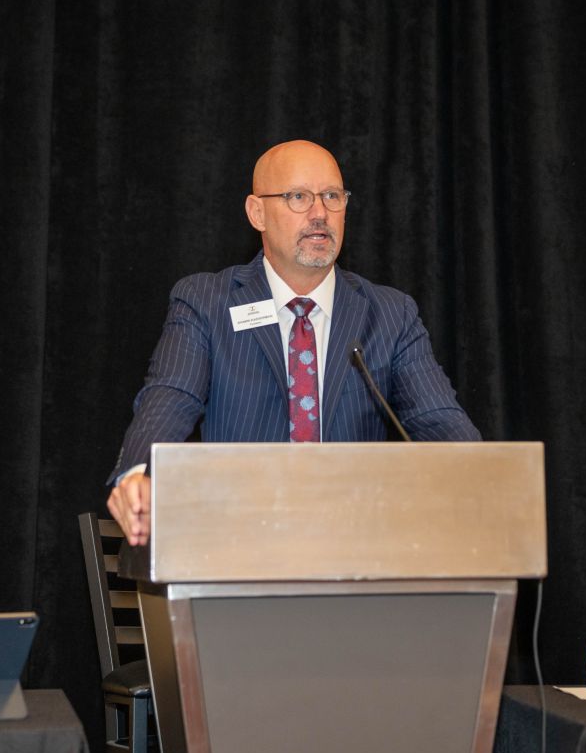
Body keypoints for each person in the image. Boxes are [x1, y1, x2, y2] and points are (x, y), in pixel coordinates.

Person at [106, 139, 479, 545]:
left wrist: (486, 483)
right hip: (237, 548)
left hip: (357, 551)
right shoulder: (207, 303)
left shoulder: (390, 314)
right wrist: (136, 474)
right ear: (257, 212)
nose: (320, 213)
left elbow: (439, 421)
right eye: (298, 197)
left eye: (332, 196)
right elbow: (170, 396)